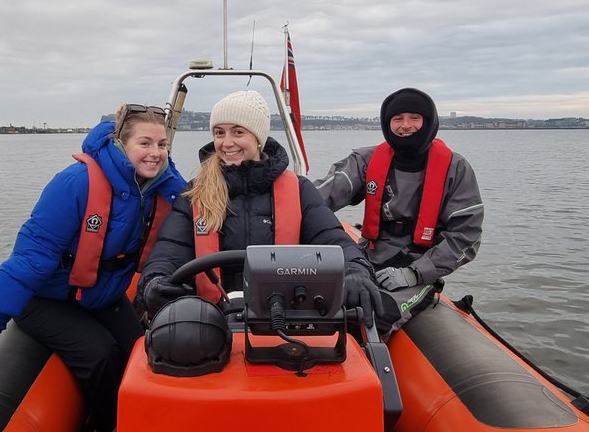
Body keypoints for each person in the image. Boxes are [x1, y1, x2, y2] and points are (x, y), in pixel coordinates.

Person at [0, 103, 186, 432]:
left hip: (99, 294)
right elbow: (32, 257)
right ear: (121, 143)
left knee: (141, 348)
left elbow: (198, 210)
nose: (155, 153)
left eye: (162, 144)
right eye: (145, 143)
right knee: (100, 354)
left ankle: (146, 417)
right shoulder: (75, 183)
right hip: (46, 300)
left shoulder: (160, 186)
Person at [137, 90, 383, 329]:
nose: (226, 142)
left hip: (287, 319)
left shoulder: (298, 190)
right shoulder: (194, 194)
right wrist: (155, 281)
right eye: (219, 133)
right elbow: (169, 252)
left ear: (258, 138)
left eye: (238, 132)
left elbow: (330, 237)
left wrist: (354, 268)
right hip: (210, 321)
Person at [314, 87, 484, 334]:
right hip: (367, 257)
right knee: (318, 302)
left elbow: (466, 236)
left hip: (418, 267)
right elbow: (320, 196)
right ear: (387, 123)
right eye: (397, 119)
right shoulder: (366, 160)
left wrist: (414, 274)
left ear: (428, 121)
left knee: (371, 316)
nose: (406, 125)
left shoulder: (455, 169)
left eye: (414, 118)